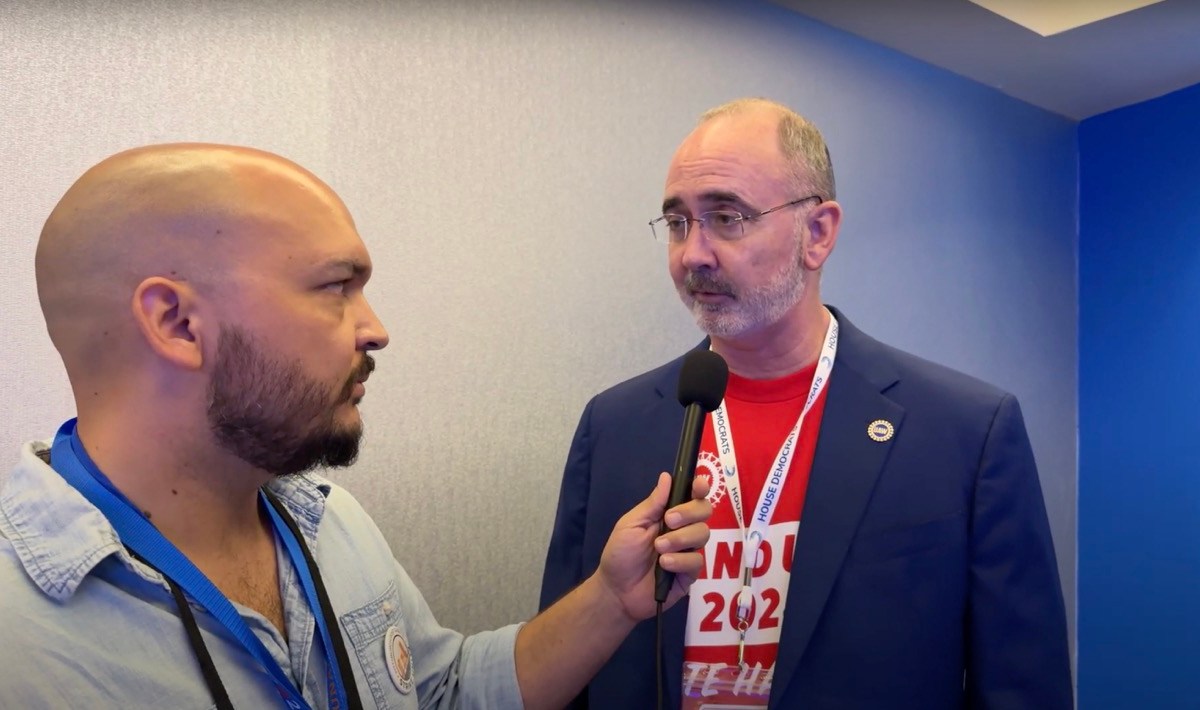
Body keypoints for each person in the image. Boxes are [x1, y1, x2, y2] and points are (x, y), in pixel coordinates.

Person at [0, 143, 711, 710]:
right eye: (336, 288)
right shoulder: (20, 638)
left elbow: (444, 693)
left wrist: (610, 602)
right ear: (177, 323)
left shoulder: (330, 527)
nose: (376, 330)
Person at [539, 98, 1073, 709]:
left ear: (817, 233)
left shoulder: (965, 432)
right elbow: (566, 673)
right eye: (679, 223)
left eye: (727, 217)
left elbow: (1023, 690)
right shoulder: (613, 426)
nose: (694, 254)